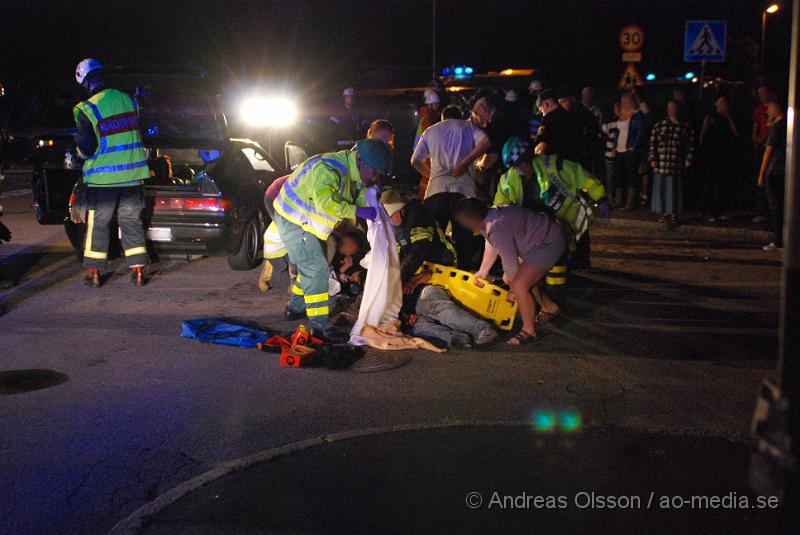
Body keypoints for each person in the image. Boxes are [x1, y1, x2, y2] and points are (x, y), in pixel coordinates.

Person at [272, 139, 392, 341]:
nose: (375, 178)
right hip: (294, 221)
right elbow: (327, 204)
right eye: (374, 172)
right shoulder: (328, 169)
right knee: (316, 269)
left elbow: (355, 193)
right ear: (362, 162)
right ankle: (321, 328)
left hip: (306, 222)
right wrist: (360, 210)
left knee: (310, 267)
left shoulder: (349, 169)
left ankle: (294, 308)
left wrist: (369, 201)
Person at [381, 189, 497, 348]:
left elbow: (419, 251)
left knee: (435, 305)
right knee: (419, 325)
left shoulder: (417, 216)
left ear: (401, 209)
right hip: (415, 286)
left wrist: (402, 279)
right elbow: (401, 256)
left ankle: (482, 329)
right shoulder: (396, 226)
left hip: (439, 268)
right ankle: (455, 338)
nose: (391, 219)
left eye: (392, 215)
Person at [71, 58, 150, 288]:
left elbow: (86, 147)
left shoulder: (88, 108)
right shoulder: (130, 101)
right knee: (131, 221)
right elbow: (144, 129)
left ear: (85, 82)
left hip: (103, 181)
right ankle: (137, 272)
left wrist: (76, 155)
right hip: (133, 178)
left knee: (99, 225)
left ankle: (94, 274)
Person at [455, 199, 566, 346]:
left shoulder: (496, 226)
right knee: (512, 279)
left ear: (470, 218)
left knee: (520, 285)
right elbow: (491, 244)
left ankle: (529, 330)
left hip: (549, 242)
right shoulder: (489, 219)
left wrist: (514, 289)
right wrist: (483, 271)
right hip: (537, 242)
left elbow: (509, 260)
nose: (462, 225)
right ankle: (549, 307)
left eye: (462, 220)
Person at [411, 104, 489, 268]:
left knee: (434, 238)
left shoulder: (431, 131)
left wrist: (431, 174)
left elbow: (414, 160)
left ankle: (434, 278)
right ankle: (463, 275)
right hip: (464, 192)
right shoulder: (468, 127)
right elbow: (486, 142)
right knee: (464, 241)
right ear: (460, 116)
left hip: (436, 191)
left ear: (442, 118)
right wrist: (465, 163)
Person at [648, 100, 695, 223]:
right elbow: (653, 143)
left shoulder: (684, 127)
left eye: (674, 108)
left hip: (676, 163)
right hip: (662, 163)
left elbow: (690, 145)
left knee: (674, 190)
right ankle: (664, 212)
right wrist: (653, 158)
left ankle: (674, 213)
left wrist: (688, 159)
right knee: (662, 189)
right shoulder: (660, 126)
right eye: (670, 108)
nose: (672, 110)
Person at [700, 94, 739, 222]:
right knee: (711, 183)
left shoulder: (729, 118)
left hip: (724, 155)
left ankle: (720, 210)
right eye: (721, 102)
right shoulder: (710, 117)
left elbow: (736, 134)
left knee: (722, 184)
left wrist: (728, 116)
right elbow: (703, 136)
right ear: (716, 103)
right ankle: (708, 212)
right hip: (711, 155)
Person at [758, 101, 787, 251]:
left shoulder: (777, 127)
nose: (767, 111)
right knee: (782, 206)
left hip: (775, 170)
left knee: (775, 207)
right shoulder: (787, 124)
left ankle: (778, 241)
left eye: (769, 108)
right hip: (784, 170)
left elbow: (768, 152)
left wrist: (761, 173)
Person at [612, 92, 646, 210]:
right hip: (619, 149)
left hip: (630, 150)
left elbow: (640, 132)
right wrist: (615, 147)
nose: (623, 103)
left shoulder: (637, 115)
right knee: (619, 175)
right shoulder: (622, 115)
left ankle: (630, 202)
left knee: (631, 176)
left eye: (625, 101)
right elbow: (617, 132)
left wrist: (634, 145)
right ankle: (619, 200)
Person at [558, 88, 600, 170]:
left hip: (582, 154)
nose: (562, 105)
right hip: (567, 155)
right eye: (560, 103)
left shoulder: (584, 114)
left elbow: (592, 132)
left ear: (572, 100)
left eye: (564, 101)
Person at [534, 89, 580, 163]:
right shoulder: (571, 116)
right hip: (574, 161)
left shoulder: (547, 121)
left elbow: (540, 144)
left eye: (541, 110)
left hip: (557, 163)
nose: (542, 113)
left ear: (546, 104)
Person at [752, 85, 775, 223]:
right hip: (761, 147)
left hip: (771, 147)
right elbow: (755, 128)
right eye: (759, 93)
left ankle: (770, 211)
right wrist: (755, 138)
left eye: (763, 93)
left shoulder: (774, 109)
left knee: (768, 178)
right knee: (760, 179)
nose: (761, 96)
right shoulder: (758, 110)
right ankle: (761, 210)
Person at [601, 99, 621, 198]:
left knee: (617, 177)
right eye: (616, 108)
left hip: (619, 153)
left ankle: (616, 197)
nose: (618, 110)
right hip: (609, 153)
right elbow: (603, 133)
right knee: (610, 177)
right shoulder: (610, 122)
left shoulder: (625, 122)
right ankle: (609, 197)